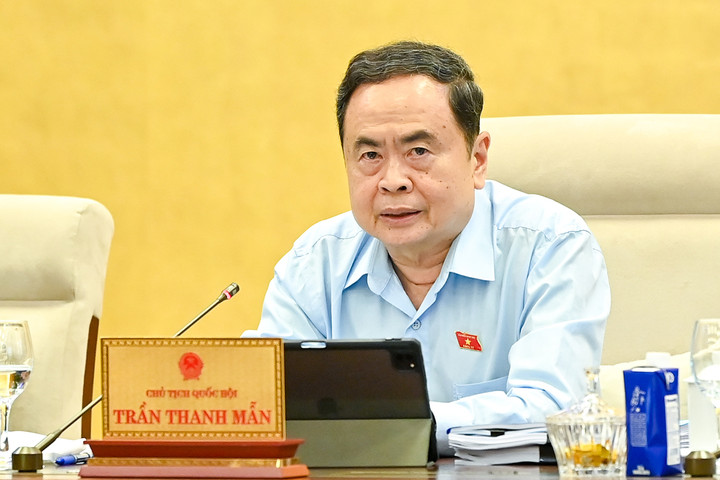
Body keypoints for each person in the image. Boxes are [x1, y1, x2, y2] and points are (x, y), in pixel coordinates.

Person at [245, 41, 610, 455]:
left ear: (477, 159)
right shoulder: (315, 263)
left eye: (418, 151)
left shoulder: (550, 246)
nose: (393, 181)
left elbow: (554, 410)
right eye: (370, 155)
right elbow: (269, 407)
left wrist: (401, 423)